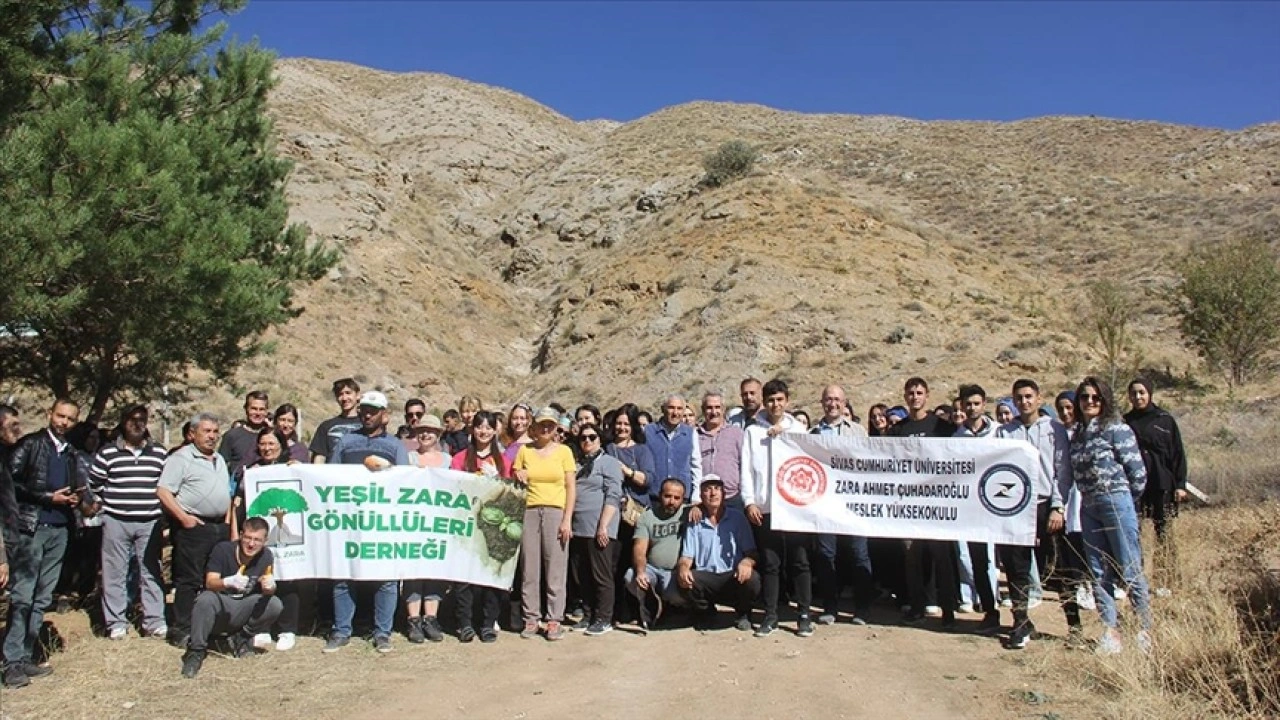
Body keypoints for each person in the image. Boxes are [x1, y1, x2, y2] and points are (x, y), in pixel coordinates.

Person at [3, 398, 94, 688]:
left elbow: (79, 488)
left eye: (70, 418)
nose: (64, 422)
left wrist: (79, 501)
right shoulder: (30, 445)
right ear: (49, 415)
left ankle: (27, 655)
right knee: (22, 597)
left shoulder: (72, 454)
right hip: (31, 528)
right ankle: (11, 662)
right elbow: (11, 485)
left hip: (60, 530)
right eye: (60, 416)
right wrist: (47, 497)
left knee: (43, 597)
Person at [1069, 377, 1153, 655]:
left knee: (1129, 565)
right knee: (1097, 570)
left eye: (1096, 397)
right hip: (1088, 506)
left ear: (1105, 400)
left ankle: (1145, 629)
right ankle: (1110, 630)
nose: (1090, 402)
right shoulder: (1078, 433)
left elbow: (1137, 472)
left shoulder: (1117, 429)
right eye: (1084, 397)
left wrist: (1126, 500)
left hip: (1116, 501)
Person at [323, 391, 409, 654]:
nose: (367, 414)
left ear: (385, 414)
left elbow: (406, 483)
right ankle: (341, 630)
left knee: (387, 577)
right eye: (364, 410)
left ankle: (382, 632)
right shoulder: (346, 442)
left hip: (382, 522)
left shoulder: (395, 446)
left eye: (373, 410)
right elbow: (329, 476)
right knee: (343, 574)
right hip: (349, 520)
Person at [994, 379, 1072, 650]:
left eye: (1029, 396)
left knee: (1060, 567)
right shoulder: (1004, 432)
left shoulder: (1055, 429)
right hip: (1015, 508)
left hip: (1045, 504)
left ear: (1038, 398)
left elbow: (1062, 471)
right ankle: (1020, 622)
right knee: (1016, 567)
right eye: (1019, 397)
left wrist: (1057, 506)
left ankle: (1073, 625)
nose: (1024, 402)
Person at [90, 404, 169, 641]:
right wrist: (110, 505)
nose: (137, 424)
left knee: (151, 572)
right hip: (116, 521)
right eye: (132, 419)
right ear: (123, 422)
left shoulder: (159, 453)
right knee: (115, 573)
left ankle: (154, 621)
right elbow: (94, 484)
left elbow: (166, 485)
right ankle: (116, 622)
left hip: (150, 521)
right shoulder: (107, 453)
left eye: (142, 419)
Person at [740, 378, 812, 637]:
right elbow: (746, 469)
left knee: (800, 561)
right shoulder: (752, 431)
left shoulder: (799, 429)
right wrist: (749, 501)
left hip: (794, 508)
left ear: (787, 401)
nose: (775, 404)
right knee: (771, 563)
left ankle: (804, 614)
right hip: (765, 507)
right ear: (765, 402)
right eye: (770, 400)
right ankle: (770, 615)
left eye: (780, 399)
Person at [156, 412, 230, 650]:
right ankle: (182, 629)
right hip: (193, 528)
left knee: (214, 578)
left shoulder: (219, 458)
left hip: (219, 527)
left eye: (215, 431)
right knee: (189, 580)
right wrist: (184, 518)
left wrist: (227, 521)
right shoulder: (181, 458)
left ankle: (209, 625)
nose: (212, 436)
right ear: (192, 433)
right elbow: (163, 491)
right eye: (206, 431)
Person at [890, 378, 958, 628]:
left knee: (942, 558)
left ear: (927, 396)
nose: (914, 397)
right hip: (908, 505)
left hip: (937, 504)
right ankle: (917, 606)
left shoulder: (941, 426)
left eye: (919, 393)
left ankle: (948, 610)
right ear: (905, 396)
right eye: (910, 393)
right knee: (912, 558)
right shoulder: (899, 430)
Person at [180, 517, 282, 679]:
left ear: (265, 541)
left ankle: (241, 638)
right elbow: (210, 583)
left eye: (257, 540)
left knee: (275, 604)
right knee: (205, 599)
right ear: (241, 535)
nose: (251, 544)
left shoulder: (266, 556)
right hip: (221, 605)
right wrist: (227, 582)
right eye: (248, 538)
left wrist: (270, 587)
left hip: (243, 607)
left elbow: (266, 590)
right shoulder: (223, 550)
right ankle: (196, 651)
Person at [810, 384, 874, 626]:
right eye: (828, 399)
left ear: (844, 403)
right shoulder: (812, 434)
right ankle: (829, 606)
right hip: (825, 504)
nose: (832, 403)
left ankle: (863, 608)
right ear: (822, 402)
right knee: (826, 555)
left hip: (854, 503)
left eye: (837, 399)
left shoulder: (858, 431)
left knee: (860, 555)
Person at [512, 407, 577, 641]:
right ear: (534, 427)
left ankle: (554, 619)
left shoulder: (564, 452)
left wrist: (567, 518)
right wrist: (518, 474)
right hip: (529, 511)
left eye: (550, 424)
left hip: (555, 512)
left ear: (556, 427)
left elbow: (571, 486)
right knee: (530, 566)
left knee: (555, 567)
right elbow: (516, 473)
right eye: (542, 424)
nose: (546, 428)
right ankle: (530, 618)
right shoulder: (524, 451)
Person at [451, 411, 511, 644]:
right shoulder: (459, 459)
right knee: (464, 577)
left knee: (490, 575)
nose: (483, 431)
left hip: (493, 527)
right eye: (479, 427)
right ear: (472, 429)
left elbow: (511, 492)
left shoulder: (504, 461)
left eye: (488, 427)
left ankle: (487, 624)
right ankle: (464, 623)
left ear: (495, 430)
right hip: (465, 524)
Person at [675, 475, 760, 631]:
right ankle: (706, 613)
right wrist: (683, 567)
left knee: (752, 578)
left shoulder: (738, 518)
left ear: (724, 494)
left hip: (732, 576)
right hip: (707, 577)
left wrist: (747, 562)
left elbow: (752, 552)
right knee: (683, 577)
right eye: (707, 489)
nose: (713, 493)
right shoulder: (695, 521)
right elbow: (687, 556)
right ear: (701, 497)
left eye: (717, 489)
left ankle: (743, 613)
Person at [953, 385, 1002, 632]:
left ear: (984, 404)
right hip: (972, 510)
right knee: (978, 561)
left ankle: (1018, 613)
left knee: (1008, 562)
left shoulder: (999, 433)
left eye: (976, 403)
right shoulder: (956, 438)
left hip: (1000, 506)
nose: (971, 408)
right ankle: (990, 610)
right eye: (967, 404)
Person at [568, 424, 623, 636]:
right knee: (583, 575)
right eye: (583, 438)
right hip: (579, 527)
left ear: (600, 440)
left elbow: (613, 494)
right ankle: (589, 614)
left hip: (599, 526)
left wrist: (603, 525)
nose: (587, 441)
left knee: (601, 575)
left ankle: (604, 617)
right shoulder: (577, 465)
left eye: (592, 437)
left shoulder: (608, 463)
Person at [604, 403, 656, 623]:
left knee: (635, 562)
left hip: (636, 514)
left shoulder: (642, 450)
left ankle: (639, 610)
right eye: (618, 423)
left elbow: (649, 480)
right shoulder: (607, 448)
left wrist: (626, 471)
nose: (621, 428)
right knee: (613, 564)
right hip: (612, 511)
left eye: (626, 424)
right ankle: (617, 611)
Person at [1124, 379, 1188, 543]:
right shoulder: (1125, 422)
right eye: (1134, 393)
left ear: (1150, 394)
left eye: (1142, 393)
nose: (1138, 397)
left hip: (1161, 483)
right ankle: (1137, 566)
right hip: (1134, 485)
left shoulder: (1164, 420)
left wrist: (1180, 485)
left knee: (1164, 531)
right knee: (1133, 530)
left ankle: (1167, 567)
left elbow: (1177, 453)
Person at [626, 479, 689, 633]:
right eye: (667, 496)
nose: (671, 501)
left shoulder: (688, 513)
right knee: (630, 577)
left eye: (676, 498)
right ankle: (649, 607)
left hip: (675, 572)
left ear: (683, 499)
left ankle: (670, 606)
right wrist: (640, 571)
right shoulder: (647, 517)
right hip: (653, 568)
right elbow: (639, 548)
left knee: (677, 595)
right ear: (660, 495)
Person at [643, 396, 702, 502]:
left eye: (679, 409)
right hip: (654, 497)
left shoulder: (691, 433)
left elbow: (696, 466)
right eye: (671, 408)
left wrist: (696, 496)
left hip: (682, 499)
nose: (675, 413)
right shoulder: (648, 431)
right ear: (663, 409)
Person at [696, 391, 745, 512]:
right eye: (709, 408)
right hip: (704, 500)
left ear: (723, 409)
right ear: (703, 410)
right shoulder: (695, 435)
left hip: (732, 498)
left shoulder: (737, 433)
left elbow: (745, 465)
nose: (713, 412)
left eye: (717, 407)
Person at [218, 390, 270, 478]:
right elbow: (221, 466)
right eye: (253, 409)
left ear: (266, 412)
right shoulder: (232, 436)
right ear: (246, 409)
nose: (257, 413)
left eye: (261, 409)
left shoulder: (273, 436)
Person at [310, 378, 363, 463]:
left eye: (348, 393)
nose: (344, 398)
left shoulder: (368, 424)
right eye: (340, 394)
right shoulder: (326, 426)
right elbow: (319, 457)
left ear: (357, 395)